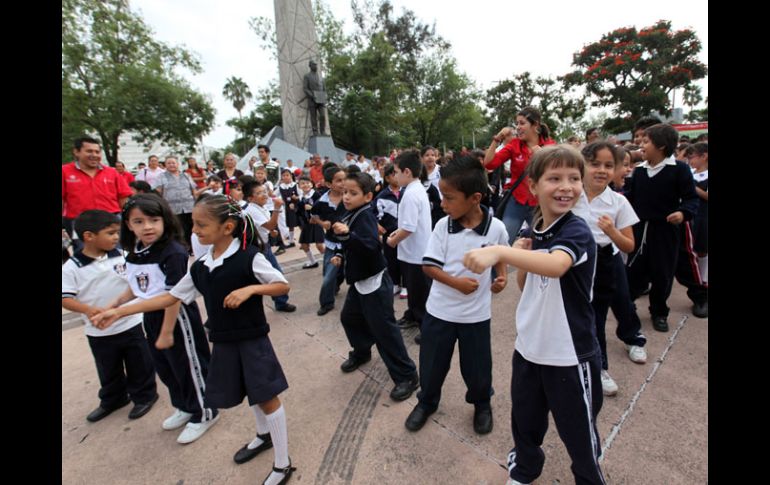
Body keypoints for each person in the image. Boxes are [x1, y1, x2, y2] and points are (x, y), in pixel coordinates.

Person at [92, 195, 297, 485]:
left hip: (251, 341)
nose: (195, 230)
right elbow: (170, 296)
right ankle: (263, 436)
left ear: (227, 227)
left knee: (266, 397)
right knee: (252, 393)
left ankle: (282, 463)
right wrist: (119, 310)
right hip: (224, 340)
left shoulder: (250, 257)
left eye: (201, 224)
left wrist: (250, 290)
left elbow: (281, 285)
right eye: (194, 225)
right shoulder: (201, 265)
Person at [463, 145, 605, 485]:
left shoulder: (577, 230)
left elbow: (557, 266)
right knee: (525, 422)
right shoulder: (534, 227)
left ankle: (589, 478)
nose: (566, 186)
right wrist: (522, 253)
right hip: (530, 348)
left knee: (579, 435)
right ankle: (524, 471)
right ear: (532, 185)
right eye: (554, 178)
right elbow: (527, 285)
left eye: (574, 178)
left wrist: (502, 252)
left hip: (569, 354)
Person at [404, 156, 508, 434]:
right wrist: (456, 283)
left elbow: (501, 256)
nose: (442, 203)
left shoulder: (495, 228)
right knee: (432, 365)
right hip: (440, 312)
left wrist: (502, 277)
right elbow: (428, 266)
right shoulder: (443, 227)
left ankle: (482, 404)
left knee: (477, 368)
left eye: (448, 198)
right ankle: (426, 402)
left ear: (475, 198)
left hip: (476, 316)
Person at [111, 194, 220, 444]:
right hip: (150, 314)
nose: (147, 226)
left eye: (153, 220)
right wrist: (114, 304)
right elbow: (136, 286)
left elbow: (174, 296)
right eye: (138, 221)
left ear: (165, 220)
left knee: (189, 365)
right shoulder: (136, 251)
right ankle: (184, 406)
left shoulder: (173, 252)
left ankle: (205, 411)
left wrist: (167, 331)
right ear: (128, 224)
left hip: (176, 317)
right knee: (166, 366)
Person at [62, 210, 158, 423]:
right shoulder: (72, 267)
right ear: (89, 236)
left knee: (139, 362)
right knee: (108, 367)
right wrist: (87, 309)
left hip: (130, 322)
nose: (116, 237)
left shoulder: (123, 255)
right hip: (99, 329)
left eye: (117, 233)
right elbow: (65, 297)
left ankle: (144, 396)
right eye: (110, 233)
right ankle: (113, 399)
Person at [330, 172, 419, 400]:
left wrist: (348, 236)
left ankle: (407, 376)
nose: (346, 197)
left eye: (353, 193)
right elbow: (347, 242)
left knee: (385, 332)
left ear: (368, 196)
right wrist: (340, 251)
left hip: (374, 283)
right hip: (359, 281)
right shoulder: (350, 212)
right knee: (349, 318)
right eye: (344, 192)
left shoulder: (365, 216)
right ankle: (361, 352)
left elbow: (370, 246)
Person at [573, 142, 647, 397]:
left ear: (617, 169)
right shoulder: (570, 195)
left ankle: (601, 367)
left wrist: (612, 231)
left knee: (609, 311)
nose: (602, 170)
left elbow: (629, 244)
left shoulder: (618, 202)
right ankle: (580, 363)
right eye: (595, 164)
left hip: (605, 260)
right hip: (575, 264)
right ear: (582, 166)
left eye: (608, 165)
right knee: (581, 317)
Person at [625, 124, 699, 332]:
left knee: (662, 272)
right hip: (639, 229)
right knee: (634, 268)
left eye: (646, 141)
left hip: (665, 231)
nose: (641, 145)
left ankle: (659, 311)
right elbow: (630, 198)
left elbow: (691, 198)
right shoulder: (639, 171)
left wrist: (683, 213)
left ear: (661, 146)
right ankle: (627, 306)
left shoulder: (679, 169)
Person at [485, 107, 556, 244]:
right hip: (516, 201)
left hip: (539, 205)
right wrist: (497, 138)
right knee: (503, 241)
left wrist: (542, 156)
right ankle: (497, 266)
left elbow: (557, 174)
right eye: (517, 124)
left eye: (522, 123)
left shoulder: (550, 146)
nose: (518, 127)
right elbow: (489, 164)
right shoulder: (514, 145)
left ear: (535, 125)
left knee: (544, 244)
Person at [386, 150, 432, 343]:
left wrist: (393, 241)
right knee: (413, 289)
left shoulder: (411, 194)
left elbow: (409, 228)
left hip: (416, 254)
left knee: (420, 292)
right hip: (413, 252)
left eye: (396, 172)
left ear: (406, 172)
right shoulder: (415, 189)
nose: (394, 176)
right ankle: (413, 315)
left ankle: (427, 327)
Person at [62, 136, 133, 252]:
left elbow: (123, 198)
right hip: (79, 221)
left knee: (115, 253)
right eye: (89, 151)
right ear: (76, 152)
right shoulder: (65, 172)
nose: (94, 155)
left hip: (111, 219)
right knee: (84, 254)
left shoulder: (112, 172)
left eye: (97, 152)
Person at [242, 180, 298, 313]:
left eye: (264, 191)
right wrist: (277, 209)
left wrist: (271, 231)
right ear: (250, 198)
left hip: (263, 246)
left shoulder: (260, 207)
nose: (264, 194)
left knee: (270, 275)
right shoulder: (252, 209)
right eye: (259, 193)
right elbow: (270, 224)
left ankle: (279, 301)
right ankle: (280, 302)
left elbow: (266, 226)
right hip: (258, 248)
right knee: (275, 275)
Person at [310, 165, 347, 315]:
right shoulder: (322, 202)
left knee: (347, 271)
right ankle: (326, 302)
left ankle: (338, 284)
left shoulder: (350, 197)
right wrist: (322, 224)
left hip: (350, 242)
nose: (343, 183)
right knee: (328, 276)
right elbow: (313, 216)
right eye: (339, 180)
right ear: (329, 184)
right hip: (332, 244)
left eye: (345, 179)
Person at [153, 156, 198, 250]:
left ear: (178, 164)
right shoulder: (161, 176)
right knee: (177, 229)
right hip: (172, 209)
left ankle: (192, 248)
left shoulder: (186, 175)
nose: (171, 165)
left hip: (189, 207)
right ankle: (181, 247)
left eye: (173, 163)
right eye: (169, 163)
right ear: (165, 165)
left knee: (191, 228)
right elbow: (158, 192)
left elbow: (193, 190)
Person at [374, 164, 402, 295]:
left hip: (404, 233)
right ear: (387, 178)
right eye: (393, 174)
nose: (396, 177)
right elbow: (372, 213)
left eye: (397, 173)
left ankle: (406, 284)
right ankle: (395, 283)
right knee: (391, 259)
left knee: (405, 259)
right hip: (389, 233)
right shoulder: (382, 196)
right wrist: (377, 225)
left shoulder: (407, 191)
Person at [303, 60, 327, 135]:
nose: (316, 66)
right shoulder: (307, 76)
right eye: (314, 65)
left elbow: (324, 89)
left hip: (321, 100)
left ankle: (322, 131)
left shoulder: (320, 77)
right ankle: (315, 131)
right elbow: (305, 88)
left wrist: (325, 96)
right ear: (310, 66)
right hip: (312, 100)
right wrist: (313, 96)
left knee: (322, 116)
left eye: (316, 65)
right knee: (313, 117)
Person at [278, 169, 300, 247]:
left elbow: (301, 195)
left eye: (287, 175)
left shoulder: (295, 185)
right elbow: (275, 195)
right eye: (284, 176)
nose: (286, 177)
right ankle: (291, 241)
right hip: (287, 208)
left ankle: (304, 240)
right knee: (291, 225)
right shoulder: (280, 187)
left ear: (291, 176)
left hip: (297, 207)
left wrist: (296, 198)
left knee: (301, 223)